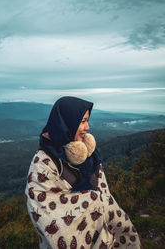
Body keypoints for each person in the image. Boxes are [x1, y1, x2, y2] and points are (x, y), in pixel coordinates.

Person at [25, 96, 141, 248]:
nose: (87, 127)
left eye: (87, 120)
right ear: (66, 123)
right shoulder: (42, 164)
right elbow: (45, 213)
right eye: (83, 121)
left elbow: (105, 197)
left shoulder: (90, 157)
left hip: (106, 239)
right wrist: (92, 200)